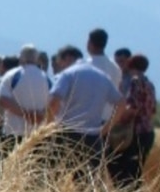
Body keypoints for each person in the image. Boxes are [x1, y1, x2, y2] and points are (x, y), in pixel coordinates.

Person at [47, 45, 124, 181]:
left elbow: (54, 101)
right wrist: (106, 128)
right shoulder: (102, 76)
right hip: (93, 137)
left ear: (68, 58)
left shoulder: (68, 74)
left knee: (53, 180)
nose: (60, 66)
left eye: (60, 61)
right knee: (88, 186)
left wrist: (49, 125)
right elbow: (121, 104)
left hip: (66, 134)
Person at [108, 54, 157, 192]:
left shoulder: (135, 82)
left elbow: (132, 107)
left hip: (134, 133)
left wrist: (116, 121)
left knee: (124, 170)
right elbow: (153, 110)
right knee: (137, 171)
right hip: (148, 132)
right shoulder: (149, 84)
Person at [0, 45, 51, 146]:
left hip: (13, 130)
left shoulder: (12, 74)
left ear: (21, 57)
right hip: (37, 133)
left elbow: (2, 98)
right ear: (37, 58)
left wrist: (25, 114)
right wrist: (40, 116)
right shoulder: (46, 78)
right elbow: (53, 102)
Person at [82, 28, 122, 124]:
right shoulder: (115, 67)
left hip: (87, 119)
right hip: (107, 119)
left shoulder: (85, 66)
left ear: (89, 43)